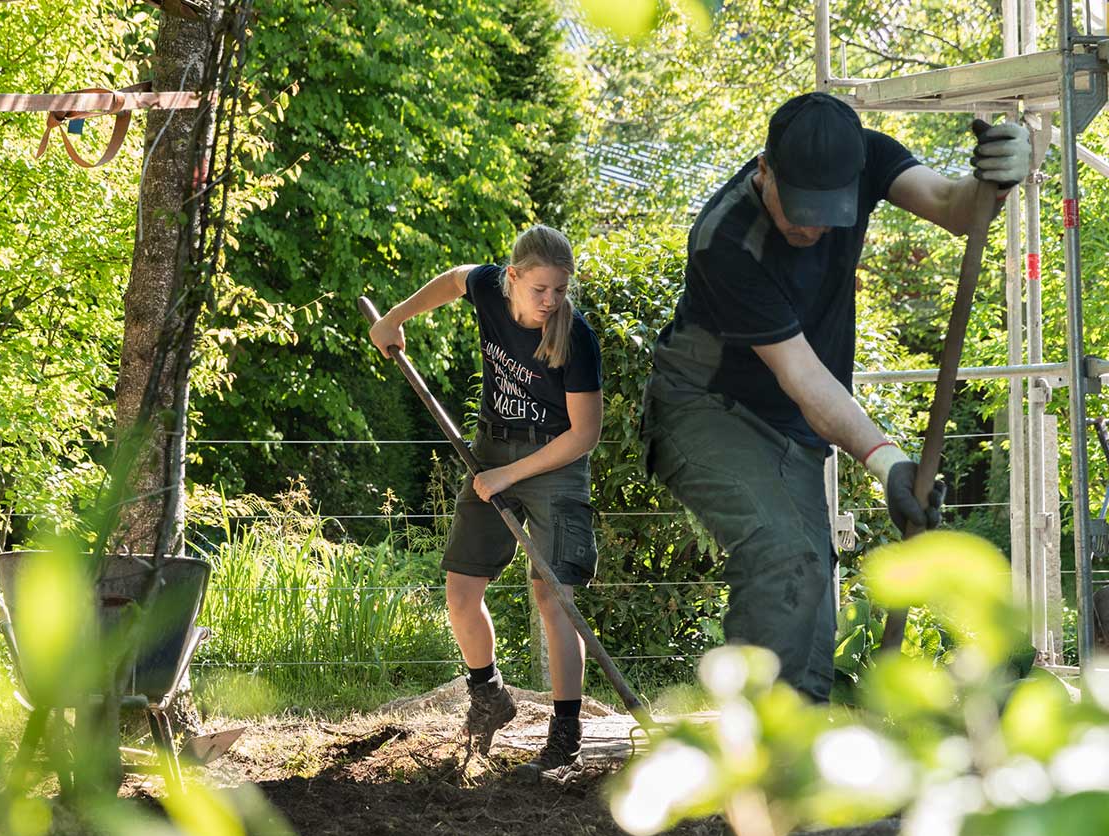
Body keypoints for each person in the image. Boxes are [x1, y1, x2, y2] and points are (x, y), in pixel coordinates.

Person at [643, 92, 1031, 702]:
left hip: (789, 424)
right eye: (798, 211)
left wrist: (996, 180)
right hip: (706, 407)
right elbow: (805, 378)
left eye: (827, 214)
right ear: (765, 170)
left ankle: (803, 746)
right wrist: (888, 461)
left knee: (807, 589)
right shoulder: (726, 240)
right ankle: (756, 749)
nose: (811, 228)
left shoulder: (866, 157)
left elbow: (953, 206)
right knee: (782, 557)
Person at [370, 224, 604, 782]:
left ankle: (565, 738)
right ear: (513, 277)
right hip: (492, 449)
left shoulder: (577, 339)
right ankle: (489, 694)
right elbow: (455, 279)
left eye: (560, 290)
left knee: (554, 598)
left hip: (554, 463)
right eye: (539, 289)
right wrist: (394, 319)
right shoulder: (489, 288)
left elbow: (585, 434)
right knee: (460, 590)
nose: (550, 301)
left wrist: (507, 476)